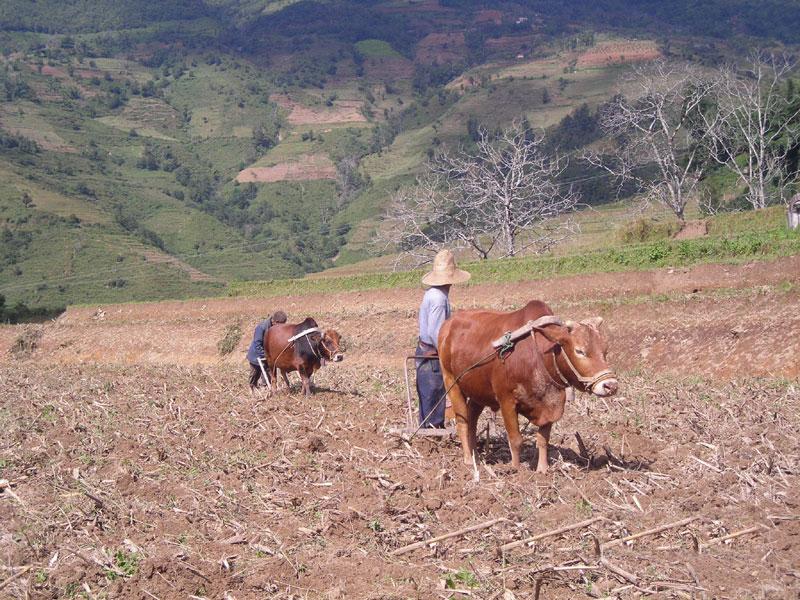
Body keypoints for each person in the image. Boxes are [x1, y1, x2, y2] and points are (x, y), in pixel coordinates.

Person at [416, 249, 471, 428]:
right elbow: (435, 332)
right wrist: (447, 354)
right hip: (431, 353)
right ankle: (433, 427)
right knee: (434, 390)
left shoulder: (432, 294)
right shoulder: (439, 299)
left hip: (425, 349)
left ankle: (429, 425)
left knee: (429, 393)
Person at [247, 310, 288, 391]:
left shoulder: (276, 329)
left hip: (269, 355)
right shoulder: (262, 327)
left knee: (268, 373)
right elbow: (257, 344)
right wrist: (266, 355)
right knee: (255, 373)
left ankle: (265, 388)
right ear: (275, 322)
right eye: (281, 324)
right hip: (256, 355)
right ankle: (251, 389)